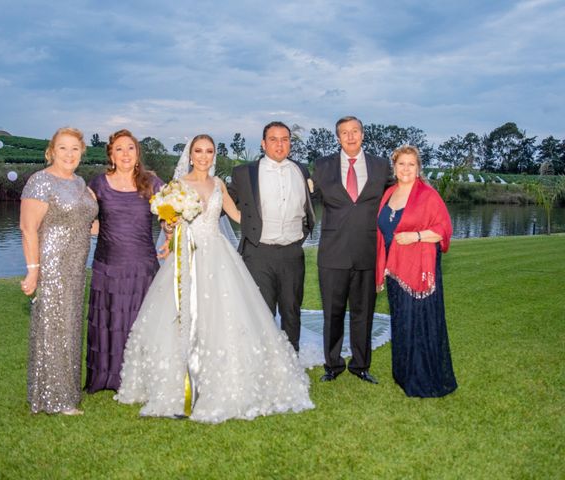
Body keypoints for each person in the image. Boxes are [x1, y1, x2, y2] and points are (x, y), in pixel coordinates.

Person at [115, 134, 314, 423]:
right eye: (199, 151)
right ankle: (181, 384)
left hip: (219, 255)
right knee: (184, 318)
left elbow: (237, 215)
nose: (204, 156)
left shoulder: (219, 184)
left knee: (225, 318)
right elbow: (165, 219)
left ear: (213, 155)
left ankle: (227, 379)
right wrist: (169, 228)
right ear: (190, 154)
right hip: (187, 258)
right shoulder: (178, 186)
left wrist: (277, 223)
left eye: (209, 151)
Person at [20, 127, 98, 415]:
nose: (69, 154)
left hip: (77, 265)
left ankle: (65, 392)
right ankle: (54, 397)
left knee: (70, 324)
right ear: (51, 151)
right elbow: (28, 229)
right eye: (63, 148)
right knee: (53, 325)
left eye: (75, 149)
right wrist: (33, 271)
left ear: (82, 153)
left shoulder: (80, 183)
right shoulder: (40, 182)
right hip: (53, 262)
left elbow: (89, 223)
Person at [312, 116, 392, 383]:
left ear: (363, 134)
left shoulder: (381, 167)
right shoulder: (322, 166)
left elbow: (397, 199)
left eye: (354, 131)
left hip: (367, 252)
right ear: (338, 138)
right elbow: (302, 199)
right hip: (332, 253)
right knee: (332, 314)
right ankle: (333, 366)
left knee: (363, 313)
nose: (350, 137)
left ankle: (361, 366)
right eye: (344, 133)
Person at [85, 129, 165, 393]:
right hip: (108, 264)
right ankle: (110, 376)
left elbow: (169, 214)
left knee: (140, 319)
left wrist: (171, 234)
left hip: (143, 265)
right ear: (111, 154)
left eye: (130, 148)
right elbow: (82, 217)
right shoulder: (98, 183)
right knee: (111, 320)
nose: (125, 154)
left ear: (137, 153)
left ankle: (142, 376)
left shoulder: (152, 183)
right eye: (119, 149)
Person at [376, 145, 457, 397]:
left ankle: (424, 379)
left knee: (420, 323)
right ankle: (403, 374)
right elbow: (381, 232)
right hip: (394, 270)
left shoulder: (428, 195)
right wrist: (380, 269)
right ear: (395, 167)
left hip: (419, 270)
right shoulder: (389, 193)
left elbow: (444, 230)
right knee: (401, 322)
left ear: (418, 167)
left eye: (411, 164)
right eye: (401, 164)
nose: (406, 169)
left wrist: (416, 236)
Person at [227, 121, 315, 352]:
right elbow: (222, 202)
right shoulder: (244, 173)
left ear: (290, 144)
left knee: (291, 310)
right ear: (264, 144)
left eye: (285, 139)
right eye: (274, 139)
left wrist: (301, 237)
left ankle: (290, 360)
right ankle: (263, 364)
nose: (280, 144)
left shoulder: (301, 171)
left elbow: (308, 209)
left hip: (292, 253)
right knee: (261, 311)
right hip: (258, 253)